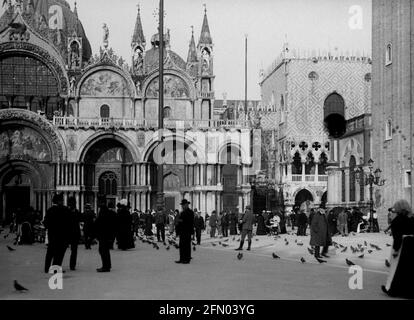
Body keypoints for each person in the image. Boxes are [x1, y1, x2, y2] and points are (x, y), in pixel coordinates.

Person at [382, 200, 414, 298]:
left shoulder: (397, 220)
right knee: (410, 270)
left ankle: (393, 290)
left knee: (397, 269)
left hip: (403, 246)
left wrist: (396, 250)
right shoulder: (412, 218)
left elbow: (397, 237)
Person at [43, 193, 71, 273]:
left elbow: (45, 223)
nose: (62, 201)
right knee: (59, 253)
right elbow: (69, 223)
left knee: (50, 252)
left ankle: (47, 268)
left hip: (52, 235)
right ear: (59, 201)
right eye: (61, 200)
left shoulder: (50, 210)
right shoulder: (65, 210)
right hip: (62, 236)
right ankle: (55, 268)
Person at [94, 204, 116, 272]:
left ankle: (105, 266)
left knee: (103, 251)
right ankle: (107, 265)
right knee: (106, 252)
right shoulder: (110, 215)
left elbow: (96, 225)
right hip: (108, 236)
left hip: (103, 236)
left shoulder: (102, 216)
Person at [175, 200, 194, 264]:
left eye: (183, 205)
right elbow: (179, 222)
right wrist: (177, 231)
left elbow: (190, 222)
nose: (182, 206)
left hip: (187, 231)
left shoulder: (190, 212)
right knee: (181, 245)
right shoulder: (182, 213)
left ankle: (187, 259)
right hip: (182, 231)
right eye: (182, 205)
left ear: (187, 205)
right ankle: (181, 258)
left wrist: (182, 221)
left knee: (187, 246)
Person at [67, 197, 81, 271]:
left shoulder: (77, 212)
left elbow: (80, 219)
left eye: (74, 203)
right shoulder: (66, 212)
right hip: (68, 233)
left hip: (75, 234)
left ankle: (72, 265)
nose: (73, 204)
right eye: (72, 203)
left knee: (74, 250)